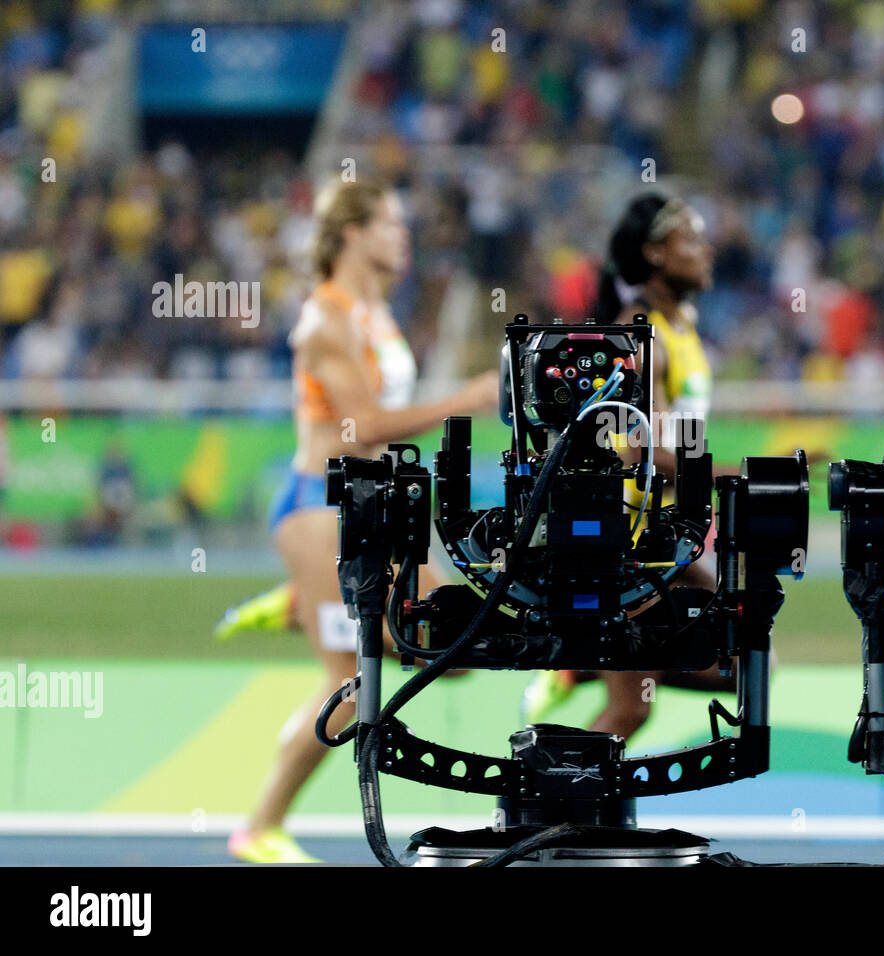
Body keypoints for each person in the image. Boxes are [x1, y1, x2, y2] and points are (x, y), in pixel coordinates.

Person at [226, 180, 497, 863]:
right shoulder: (326, 320)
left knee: (452, 640)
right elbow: (358, 426)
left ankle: (304, 599)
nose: (403, 237)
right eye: (390, 225)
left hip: (369, 509)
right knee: (353, 682)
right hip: (321, 509)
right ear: (351, 233)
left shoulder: (374, 311)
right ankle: (259, 826)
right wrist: (464, 400)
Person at [521, 192, 736, 740]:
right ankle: (552, 806)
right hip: (631, 540)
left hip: (667, 535)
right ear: (656, 253)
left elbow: (681, 442)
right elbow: (637, 454)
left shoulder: (679, 326)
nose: (706, 248)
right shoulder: (643, 331)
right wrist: (737, 473)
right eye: (691, 236)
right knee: (635, 707)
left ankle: (583, 660)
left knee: (737, 658)